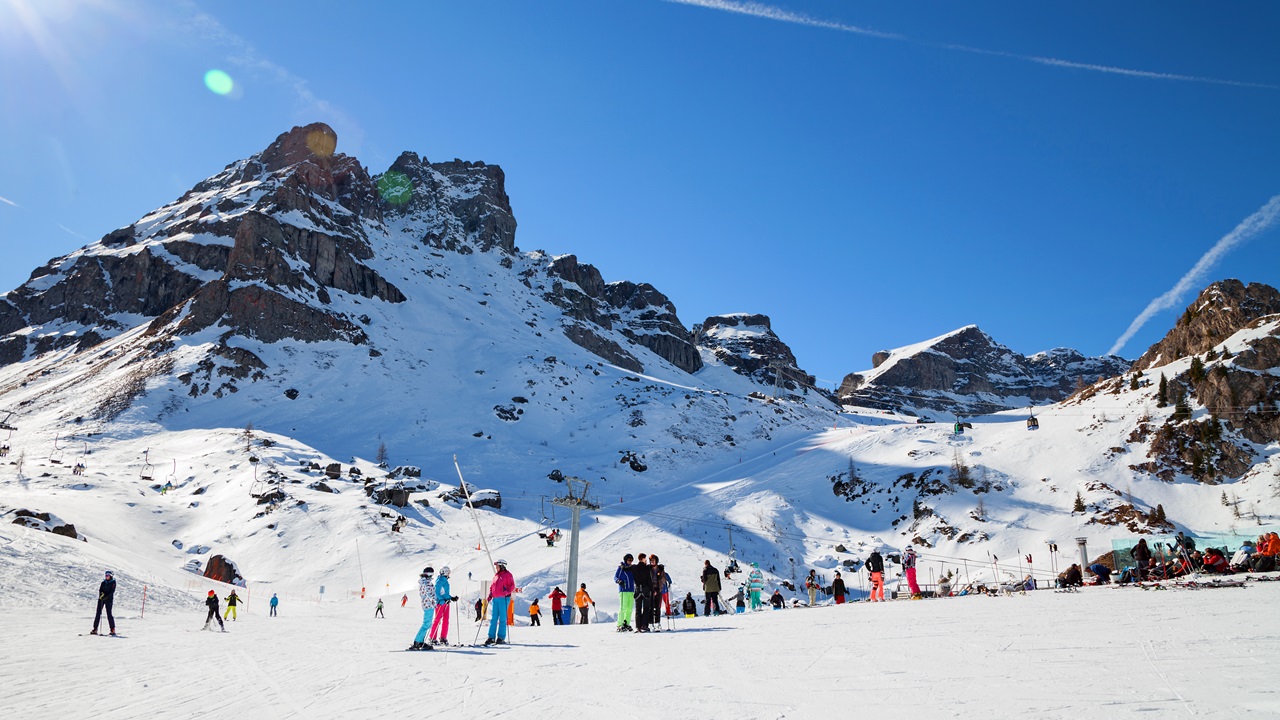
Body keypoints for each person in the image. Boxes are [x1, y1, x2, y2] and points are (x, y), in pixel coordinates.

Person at [484, 559, 515, 646]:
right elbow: (492, 587)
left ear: (501, 566)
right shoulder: (496, 576)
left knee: (502, 618)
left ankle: (501, 637)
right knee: (493, 618)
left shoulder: (508, 575)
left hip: (504, 598)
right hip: (495, 599)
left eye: (497, 566)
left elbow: (512, 586)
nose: (496, 567)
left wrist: (506, 592)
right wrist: (490, 595)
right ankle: (491, 637)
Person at [409, 567, 437, 651]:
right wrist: (436, 601)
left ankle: (420, 641)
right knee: (427, 624)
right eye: (431, 574)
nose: (431, 576)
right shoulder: (427, 583)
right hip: (429, 605)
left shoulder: (423, 582)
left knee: (427, 623)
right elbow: (430, 594)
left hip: (427, 604)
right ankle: (417, 642)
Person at [429, 567, 455, 646]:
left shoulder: (445, 581)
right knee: (437, 620)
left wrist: (451, 598)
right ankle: (432, 637)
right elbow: (436, 592)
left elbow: (444, 593)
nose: (449, 574)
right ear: (445, 572)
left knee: (446, 620)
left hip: (446, 603)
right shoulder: (440, 580)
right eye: (448, 572)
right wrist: (441, 600)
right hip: (440, 603)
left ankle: (443, 637)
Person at [91, 570, 116, 636]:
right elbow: (100, 590)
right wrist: (101, 595)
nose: (106, 576)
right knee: (98, 613)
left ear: (110, 576)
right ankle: (95, 628)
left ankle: (112, 629)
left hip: (109, 600)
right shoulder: (103, 582)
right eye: (106, 575)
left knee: (109, 614)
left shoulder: (113, 582)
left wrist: (106, 596)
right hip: (101, 600)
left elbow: (112, 591)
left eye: (108, 575)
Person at [615, 554, 636, 632]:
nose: (630, 562)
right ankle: (620, 624)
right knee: (623, 608)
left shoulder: (631, 568)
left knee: (629, 608)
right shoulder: (621, 567)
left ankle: (626, 623)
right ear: (625, 560)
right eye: (629, 560)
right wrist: (619, 581)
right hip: (624, 590)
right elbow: (615, 577)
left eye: (631, 560)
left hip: (631, 590)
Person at [633, 553, 652, 632]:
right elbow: (649, 580)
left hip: (637, 589)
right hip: (645, 590)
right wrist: (652, 590)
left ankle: (638, 626)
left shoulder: (634, 567)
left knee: (638, 608)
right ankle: (644, 625)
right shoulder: (646, 568)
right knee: (646, 608)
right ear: (643, 559)